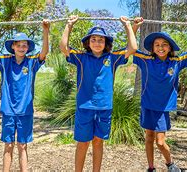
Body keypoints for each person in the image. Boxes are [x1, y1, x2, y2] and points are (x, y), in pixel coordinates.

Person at [59, 15, 137, 171]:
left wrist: (128, 26)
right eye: (93, 39)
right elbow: (63, 47)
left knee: (98, 141)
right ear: (88, 42)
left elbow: (133, 48)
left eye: (101, 40)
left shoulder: (113, 58)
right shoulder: (81, 58)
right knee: (83, 143)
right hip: (85, 107)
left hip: (104, 107)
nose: (97, 42)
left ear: (106, 43)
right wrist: (69, 25)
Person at [132, 17, 187, 172]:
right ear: (152, 47)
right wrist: (134, 27)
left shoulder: (176, 61)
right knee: (149, 138)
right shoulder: (146, 60)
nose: (160, 47)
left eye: (164, 45)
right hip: (148, 105)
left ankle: (170, 164)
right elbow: (130, 48)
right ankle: (151, 167)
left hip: (162, 109)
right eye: (157, 45)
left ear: (170, 48)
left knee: (160, 142)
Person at [0, 19, 50, 171]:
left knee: (23, 145)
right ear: (12, 47)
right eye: (18, 45)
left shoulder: (32, 62)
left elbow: (44, 52)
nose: (21, 47)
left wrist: (46, 31)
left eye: (24, 45)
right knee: (8, 145)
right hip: (8, 111)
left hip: (25, 111)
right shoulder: (5, 62)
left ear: (28, 48)